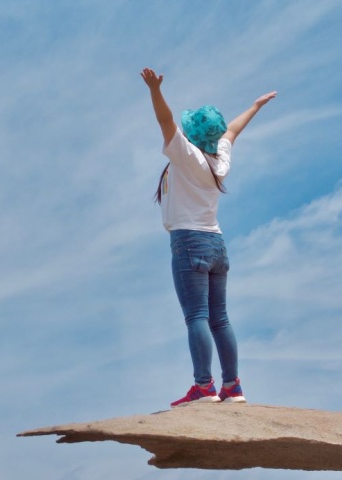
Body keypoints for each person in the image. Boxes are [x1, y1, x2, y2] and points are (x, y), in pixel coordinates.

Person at [140, 67, 276, 407]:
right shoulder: (219, 161)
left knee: (196, 317)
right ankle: (233, 386)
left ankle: (203, 386)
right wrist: (255, 106)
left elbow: (164, 120)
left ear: (192, 135)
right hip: (216, 244)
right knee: (220, 318)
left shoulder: (187, 156)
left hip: (189, 243)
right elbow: (232, 131)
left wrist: (155, 90)